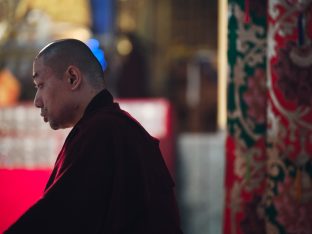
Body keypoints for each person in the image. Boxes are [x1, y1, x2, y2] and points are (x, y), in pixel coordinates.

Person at [4, 39, 183, 234]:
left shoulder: (104, 131)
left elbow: (58, 217)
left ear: (73, 78)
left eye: (40, 85)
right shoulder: (107, 126)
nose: (37, 101)